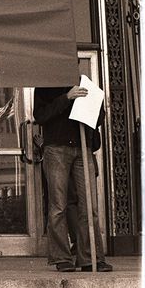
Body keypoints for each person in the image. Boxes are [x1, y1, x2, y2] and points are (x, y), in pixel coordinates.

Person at [33, 85, 111, 272]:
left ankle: (90, 257)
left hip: (82, 147)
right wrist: (66, 97)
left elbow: (99, 118)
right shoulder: (45, 87)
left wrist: (92, 104)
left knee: (89, 205)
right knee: (58, 205)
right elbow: (40, 116)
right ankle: (62, 257)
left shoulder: (86, 85)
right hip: (57, 148)